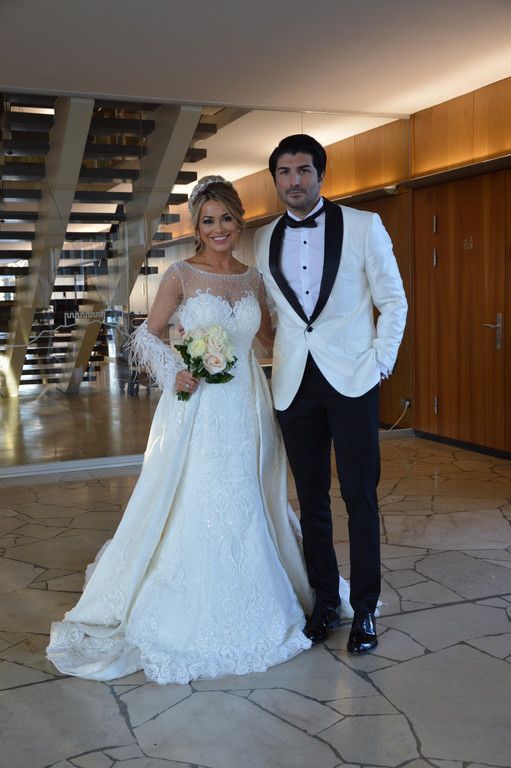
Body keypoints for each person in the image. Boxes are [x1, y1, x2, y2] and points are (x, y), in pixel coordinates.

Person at [47, 176, 316, 684]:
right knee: (202, 492)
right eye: (208, 220)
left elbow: (272, 338)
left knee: (247, 491)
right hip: (198, 404)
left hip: (247, 405)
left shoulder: (254, 281)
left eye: (226, 218)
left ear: (239, 222)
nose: (218, 228)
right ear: (197, 227)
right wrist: (175, 370)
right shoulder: (180, 275)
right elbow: (146, 336)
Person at [254, 135, 408, 653]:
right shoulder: (262, 238)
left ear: (321, 174)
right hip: (293, 382)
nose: (294, 181)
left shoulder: (364, 226)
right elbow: (271, 313)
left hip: (353, 379)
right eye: (284, 172)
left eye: (303, 170)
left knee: (360, 495)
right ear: (275, 180)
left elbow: (394, 300)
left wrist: (380, 361)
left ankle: (364, 609)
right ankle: (325, 601)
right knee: (311, 498)